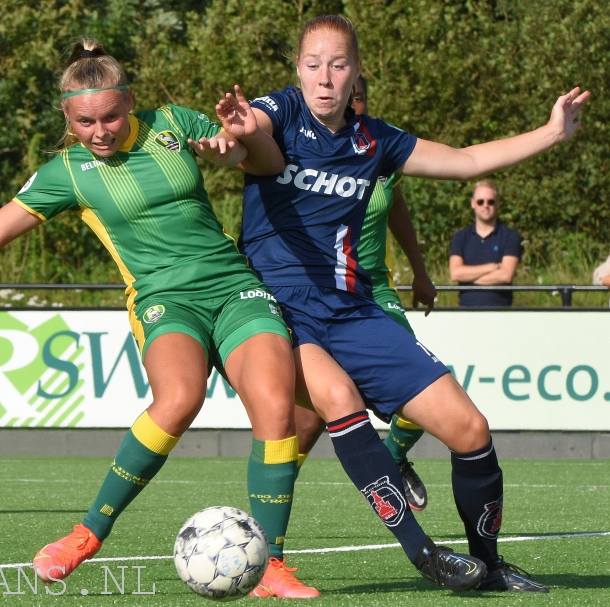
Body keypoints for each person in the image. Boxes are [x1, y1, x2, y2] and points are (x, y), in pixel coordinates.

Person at [0, 38, 321, 599]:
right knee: (178, 401)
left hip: (234, 287)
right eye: (85, 121)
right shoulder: (66, 173)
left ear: (130, 102)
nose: (100, 131)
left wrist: (238, 143)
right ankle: (88, 535)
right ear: (67, 119)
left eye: (112, 117)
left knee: (276, 409)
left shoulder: (173, 124)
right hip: (163, 300)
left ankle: (272, 565)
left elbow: (266, 164)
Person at [219, 14, 587, 593]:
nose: (324, 78)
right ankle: (422, 554)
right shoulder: (283, 111)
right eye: (313, 64)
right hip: (281, 307)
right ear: (298, 68)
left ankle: (487, 565)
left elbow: (466, 161)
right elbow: (249, 133)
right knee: (336, 401)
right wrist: (235, 133)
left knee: (470, 429)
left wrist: (551, 132)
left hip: (354, 309)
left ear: (356, 72)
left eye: (338, 65)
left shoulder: (376, 141)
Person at [292, 74, 433, 512]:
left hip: (373, 289)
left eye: (359, 96)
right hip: (316, 292)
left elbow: (398, 211)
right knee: (311, 417)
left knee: (423, 396)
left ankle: (392, 458)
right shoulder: (301, 147)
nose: (350, 102)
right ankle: (269, 509)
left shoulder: (379, 150)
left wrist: (421, 272)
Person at [449, 180, 523, 306]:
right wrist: (493, 267)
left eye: (491, 201)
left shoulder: (510, 236)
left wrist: (469, 279)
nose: (485, 205)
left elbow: (505, 275)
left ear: (498, 203)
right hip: (465, 311)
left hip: (500, 312)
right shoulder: (460, 237)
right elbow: (456, 274)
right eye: (480, 201)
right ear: (473, 203)